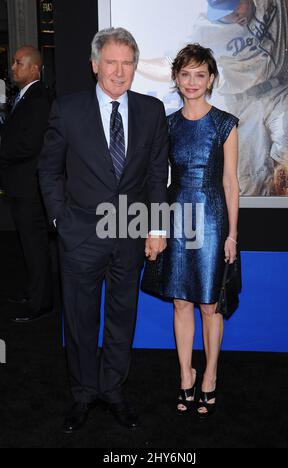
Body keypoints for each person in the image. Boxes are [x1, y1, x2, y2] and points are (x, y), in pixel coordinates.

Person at [38, 27, 168, 432]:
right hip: (80, 236)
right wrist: (60, 219)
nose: (119, 71)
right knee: (79, 320)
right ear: (95, 65)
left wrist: (156, 228)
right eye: (111, 62)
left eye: (127, 63)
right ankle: (83, 395)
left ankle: (113, 390)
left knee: (121, 316)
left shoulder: (150, 111)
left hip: (130, 234)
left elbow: (155, 177)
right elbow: (49, 168)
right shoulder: (68, 108)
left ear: (134, 68)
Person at [138, 0, 288, 196]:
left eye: (235, 7)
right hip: (243, 104)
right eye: (224, 13)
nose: (231, 16)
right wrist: (132, 63)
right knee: (251, 186)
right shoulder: (205, 30)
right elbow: (169, 66)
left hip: (282, 88)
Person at [160, 44, 239, 417]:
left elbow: (230, 184)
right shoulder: (168, 124)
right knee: (181, 301)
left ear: (211, 79)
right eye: (186, 74)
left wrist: (232, 234)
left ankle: (209, 375)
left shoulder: (225, 123)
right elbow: (159, 180)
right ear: (176, 78)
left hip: (211, 217)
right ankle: (185, 374)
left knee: (210, 303)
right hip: (177, 215)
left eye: (200, 75)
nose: (192, 82)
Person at [0, 46, 53, 322]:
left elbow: (29, 144)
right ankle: (33, 292)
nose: (13, 67)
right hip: (21, 184)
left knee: (34, 244)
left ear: (34, 68)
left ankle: (40, 302)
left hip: (30, 187)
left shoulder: (38, 99)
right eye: (13, 63)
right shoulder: (24, 96)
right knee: (26, 244)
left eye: (18, 63)